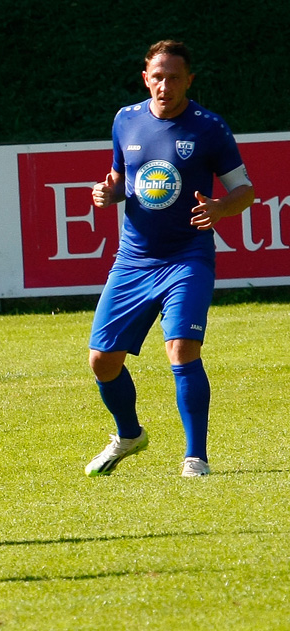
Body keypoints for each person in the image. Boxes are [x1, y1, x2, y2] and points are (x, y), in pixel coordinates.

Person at [85, 40, 254, 478]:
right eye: (157, 77)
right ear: (146, 78)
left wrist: (220, 208)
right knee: (102, 360)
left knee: (181, 348)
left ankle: (195, 457)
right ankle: (129, 436)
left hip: (187, 258)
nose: (165, 85)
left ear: (189, 81)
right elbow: (124, 181)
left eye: (174, 77)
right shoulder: (126, 120)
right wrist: (109, 193)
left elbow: (245, 191)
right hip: (134, 260)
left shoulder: (209, 128)